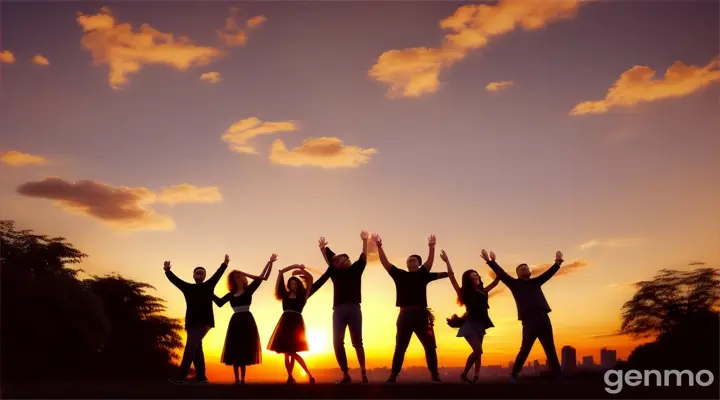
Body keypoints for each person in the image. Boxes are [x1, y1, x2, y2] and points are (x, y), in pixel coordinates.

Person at [373, 233, 448, 383]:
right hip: (405, 314)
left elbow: (430, 262)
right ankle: (393, 375)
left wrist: (431, 247)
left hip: (421, 314)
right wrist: (379, 246)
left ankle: (435, 374)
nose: (410, 261)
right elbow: (385, 263)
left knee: (430, 346)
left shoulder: (423, 274)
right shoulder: (399, 275)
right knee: (400, 346)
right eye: (408, 260)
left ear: (418, 264)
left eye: (414, 260)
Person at [480, 249, 564, 382]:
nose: (525, 269)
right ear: (518, 274)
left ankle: (558, 375)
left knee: (550, 349)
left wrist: (557, 263)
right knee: (525, 348)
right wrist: (491, 262)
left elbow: (548, 274)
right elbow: (502, 274)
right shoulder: (514, 284)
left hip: (544, 319)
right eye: (522, 269)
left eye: (526, 268)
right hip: (529, 321)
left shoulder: (536, 281)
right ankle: (514, 374)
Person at [309, 232, 368, 384]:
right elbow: (331, 261)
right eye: (339, 259)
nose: (341, 260)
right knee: (337, 342)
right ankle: (345, 374)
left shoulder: (356, 269)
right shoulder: (335, 273)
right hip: (339, 310)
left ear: (348, 260)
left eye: (344, 258)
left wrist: (365, 240)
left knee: (357, 342)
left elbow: (363, 257)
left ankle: (363, 372)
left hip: (354, 308)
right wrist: (323, 249)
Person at [164, 254, 230, 384]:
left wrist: (225, 263)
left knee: (190, 347)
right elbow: (176, 281)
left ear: (205, 276)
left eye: (202, 272)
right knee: (196, 349)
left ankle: (180, 377)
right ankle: (201, 377)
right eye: (197, 272)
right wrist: (167, 270)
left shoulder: (209, 285)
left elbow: (218, 274)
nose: (199, 273)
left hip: (204, 322)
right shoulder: (187, 288)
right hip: (191, 323)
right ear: (193, 275)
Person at [213, 254, 276, 384]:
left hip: (247, 321)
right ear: (233, 279)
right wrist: (208, 292)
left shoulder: (249, 290)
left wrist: (270, 262)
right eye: (236, 276)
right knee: (235, 350)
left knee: (245, 349)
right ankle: (237, 380)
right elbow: (219, 303)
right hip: (235, 322)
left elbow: (262, 277)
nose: (239, 277)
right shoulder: (231, 294)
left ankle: (242, 380)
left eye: (240, 275)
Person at [442, 250, 500, 383]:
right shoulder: (464, 292)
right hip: (469, 324)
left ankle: (476, 377)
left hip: (481, 323)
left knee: (479, 353)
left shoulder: (483, 291)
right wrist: (447, 261)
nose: (476, 277)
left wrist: (492, 262)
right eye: (473, 276)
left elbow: (497, 280)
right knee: (478, 350)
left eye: (476, 275)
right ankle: (464, 374)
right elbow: (452, 277)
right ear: (468, 280)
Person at [267, 264, 316, 384]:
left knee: (292, 352)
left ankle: (308, 374)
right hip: (284, 323)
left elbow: (310, 279)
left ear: (298, 285)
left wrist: (302, 270)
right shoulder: (285, 295)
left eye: (295, 284)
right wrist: (286, 269)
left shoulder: (303, 296)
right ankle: (290, 376)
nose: (293, 285)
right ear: (288, 285)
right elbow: (280, 277)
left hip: (296, 324)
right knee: (287, 353)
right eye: (291, 284)